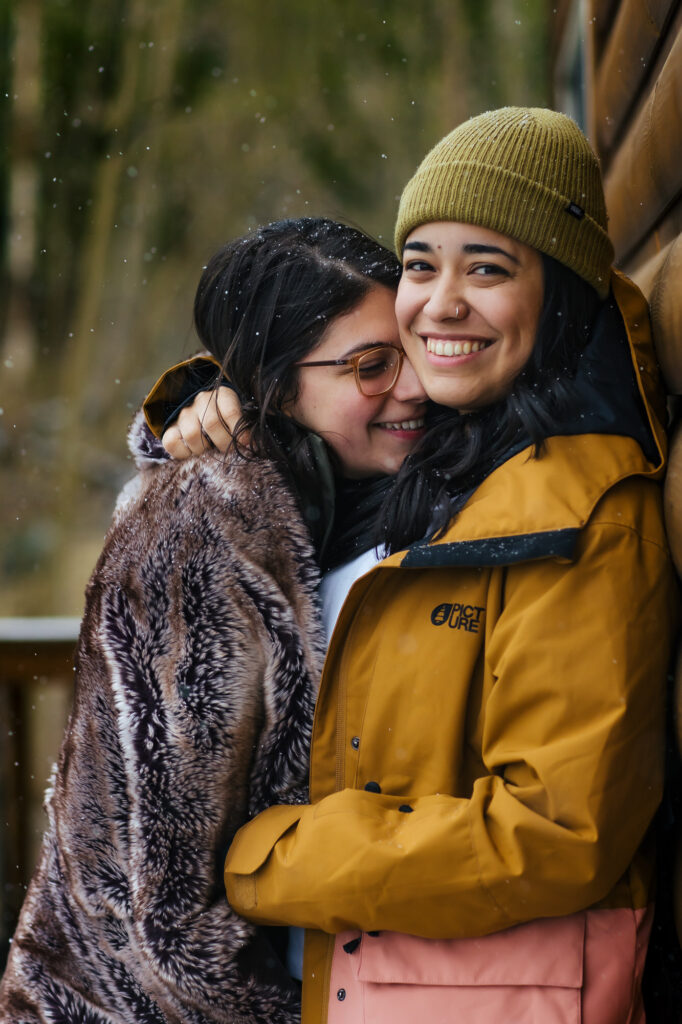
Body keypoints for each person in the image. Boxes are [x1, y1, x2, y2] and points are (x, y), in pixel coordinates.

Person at [166, 108, 676, 1023]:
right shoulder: (435, 451)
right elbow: (318, 385)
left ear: (557, 293)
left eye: (488, 267)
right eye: (420, 263)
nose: (440, 304)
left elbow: (556, 832)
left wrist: (266, 858)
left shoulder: (588, 511)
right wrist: (214, 406)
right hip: (341, 980)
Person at [0, 217, 429, 1023]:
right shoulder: (198, 531)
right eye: (372, 365)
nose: (413, 385)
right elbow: (164, 913)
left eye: (412, 347)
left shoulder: (362, 486)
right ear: (274, 384)